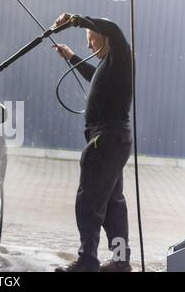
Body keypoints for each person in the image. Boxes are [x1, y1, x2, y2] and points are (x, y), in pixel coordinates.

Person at [51, 14, 133, 272]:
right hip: (112, 140)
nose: (89, 46)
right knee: (113, 204)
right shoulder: (109, 65)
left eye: (92, 39)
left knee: (89, 201)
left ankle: (87, 261)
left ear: (105, 38)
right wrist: (72, 57)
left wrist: (76, 19)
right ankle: (120, 261)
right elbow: (94, 76)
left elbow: (114, 27)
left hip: (106, 139)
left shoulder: (120, 53)